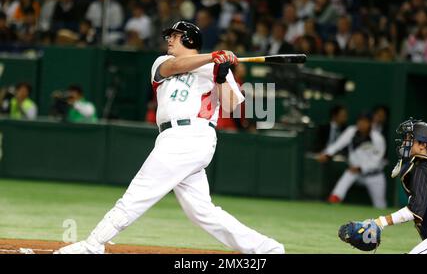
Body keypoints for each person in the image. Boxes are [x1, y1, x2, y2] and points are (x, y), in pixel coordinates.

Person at [54, 21, 284, 254]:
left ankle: (92, 245)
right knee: (202, 212)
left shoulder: (215, 68)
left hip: (192, 135)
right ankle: (267, 249)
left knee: (139, 193)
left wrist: (222, 76)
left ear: (189, 40)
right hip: (173, 137)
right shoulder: (163, 62)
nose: (169, 40)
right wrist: (213, 58)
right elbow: (176, 66)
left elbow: (231, 105)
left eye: (175, 36)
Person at [370, 119, 427, 253]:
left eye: (410, 139)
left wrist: (380, 222)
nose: (405, 143)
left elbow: (415, 210)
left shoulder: (422, 168)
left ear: (423, 145)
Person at [317, 112, 387, 209]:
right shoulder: (351, 131)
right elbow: (338, 145)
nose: (361, 124)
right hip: (354, 172)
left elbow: (376, 161)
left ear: (371, 123)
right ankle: (334, 198)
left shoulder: (378, 138)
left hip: (374, 175)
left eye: (365, 122)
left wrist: (360, 168)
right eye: (360, 121)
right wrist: (327, 154)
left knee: (380, 205)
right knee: (348, 175)